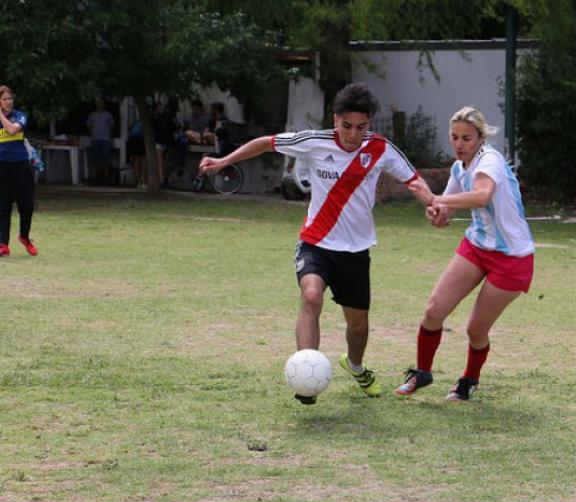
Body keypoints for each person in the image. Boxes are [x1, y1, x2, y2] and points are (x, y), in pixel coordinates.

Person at [199, 82, 429, 404]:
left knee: (358, 325)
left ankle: (355, 365)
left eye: (360, 127)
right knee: (311, 296)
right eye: (346, 126)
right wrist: (224, 161)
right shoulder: (313, 141)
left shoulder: (380, 149)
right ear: (335, 120)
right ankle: (306, 377)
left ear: (369, 124)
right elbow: (266, 143)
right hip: (316, 243)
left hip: (355, 250)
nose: (352, 134)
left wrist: (432, 201)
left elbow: (413, 179)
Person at [398, 106, 535, 401]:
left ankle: (468, 380)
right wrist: (436, 214)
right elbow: (445, 210)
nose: (459, 144)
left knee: (475, 329)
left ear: (480, 138)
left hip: (512, 258)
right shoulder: (459, 168)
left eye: (467, 138)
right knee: (434, 309)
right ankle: (422, 372)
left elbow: (482, 194)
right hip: (477, 246)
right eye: (455, 137)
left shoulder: (491, 161)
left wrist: (434, 198)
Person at [0, 85, 37, 257]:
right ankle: (3, 244)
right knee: (3, 207)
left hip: (21, 165)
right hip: (2, 167)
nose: (8, 102)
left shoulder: (20, 116)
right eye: (4, 99)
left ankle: (24, 237)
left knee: (26, 205)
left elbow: (12, 129)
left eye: (10, 98)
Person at [86, 99, 115, 184]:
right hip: (95, 139)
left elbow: (112, 125)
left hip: (105, 139)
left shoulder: (108, 115)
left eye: (101, 103)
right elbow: (89, 125)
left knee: (106, 159)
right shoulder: (92, 115)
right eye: (98, 103)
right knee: (94, 159)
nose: (100, 105)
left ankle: (106, 178)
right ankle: (94, 178)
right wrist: (91, 133)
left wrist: (108, 133)